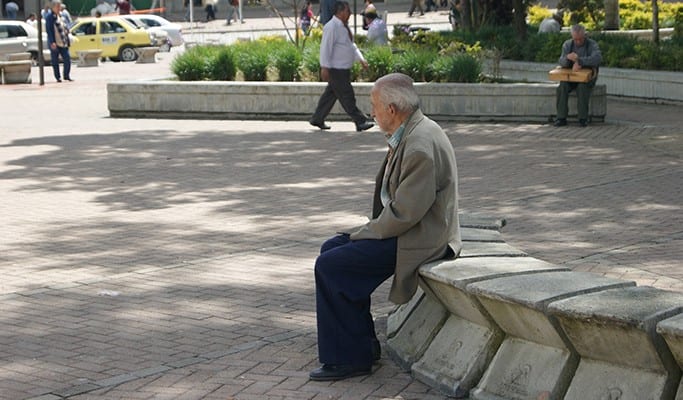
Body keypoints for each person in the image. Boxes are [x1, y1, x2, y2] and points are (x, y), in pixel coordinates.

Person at [309, 72, 462, 381]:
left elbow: (406, 214)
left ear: (392, 109)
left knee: (331, 265)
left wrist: (362, 233)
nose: (371, 112)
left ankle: (350, 359)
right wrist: (360, 234)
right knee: (332, 250)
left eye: (374, 105)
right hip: (411, 228)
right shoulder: (412, 130)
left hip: (422, 237)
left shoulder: (419, 143)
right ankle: (362, 345)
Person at [309, 1, 374, 132]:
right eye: (347, 11)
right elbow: (325, 49)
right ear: (340, 12)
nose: (349, 14)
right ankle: (360, 121)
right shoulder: (331, 27)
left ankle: (317, 118)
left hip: (343, 69)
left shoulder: (343, 27)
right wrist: (325, 67)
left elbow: (350, 46)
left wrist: (360, 59)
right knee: (347, 95)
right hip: (336, 69)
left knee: (330, 95)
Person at [554, 24, 602, 127]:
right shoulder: (567, 45)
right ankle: (561, 117)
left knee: (582, 87)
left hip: (587, 78)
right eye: (576, 39)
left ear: (584, 36)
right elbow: (561, 61)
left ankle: (583, 118)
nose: (578, 42)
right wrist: (568, 58)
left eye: (580, 39)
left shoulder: (592, 44)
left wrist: (580, 61)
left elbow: (597, 58)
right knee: (562, 86)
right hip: (571, 77)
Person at [45, 0, 72, 82]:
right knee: (55, 61)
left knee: (67, 58)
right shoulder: (50, 17)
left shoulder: (61, 15)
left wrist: (67, 30)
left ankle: (66, 75)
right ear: (53, 7)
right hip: (55, 42)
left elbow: (65, 25)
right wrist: (52, 42)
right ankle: (58, 77)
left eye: (60, 6)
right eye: (58, 6)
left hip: (63, 41)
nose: (59, 8)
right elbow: (49, 30)